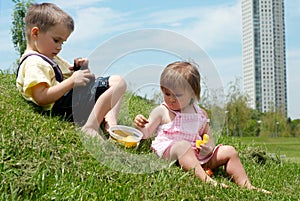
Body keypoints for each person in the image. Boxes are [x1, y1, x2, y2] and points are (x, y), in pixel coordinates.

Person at [134, 61, 270, 193]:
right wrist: (140, 125)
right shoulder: (162, 111)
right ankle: (207, 181)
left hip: (198, 157)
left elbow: (208, 136)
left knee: (229, 151)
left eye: (178, 95)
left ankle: (246, 184)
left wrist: (208, 148)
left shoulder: (200, 114)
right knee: (183, 146)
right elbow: (146, 134)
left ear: (192, 93)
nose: (171, 99)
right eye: (167, 94)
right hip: (172, 153)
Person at [16, 3, 126, 138]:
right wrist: (73, 81)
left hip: (67, 104)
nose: (59, 47)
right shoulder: (34, 63)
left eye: (62, 42)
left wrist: (80, 69)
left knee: (115, 84)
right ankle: (90, 127)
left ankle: (111, 124)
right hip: (61, 107)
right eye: (56, 40)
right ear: (36, 33)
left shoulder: (48, 58)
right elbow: (42, 97)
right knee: (117, 82)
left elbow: (71, 78)